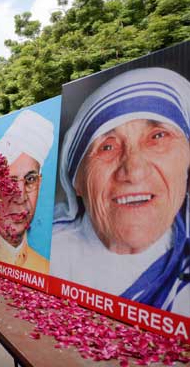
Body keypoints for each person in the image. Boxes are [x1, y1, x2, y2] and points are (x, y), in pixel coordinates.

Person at [51, 67, 190, 316]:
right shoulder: (51, 257)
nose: (134, 171)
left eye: (157, 136)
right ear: (77, 181)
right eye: (106, 147)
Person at [0, 109, 53, 274]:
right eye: (10, 181)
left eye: (30, 180)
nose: (20, 196)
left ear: (40, 183)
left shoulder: (44, 269)